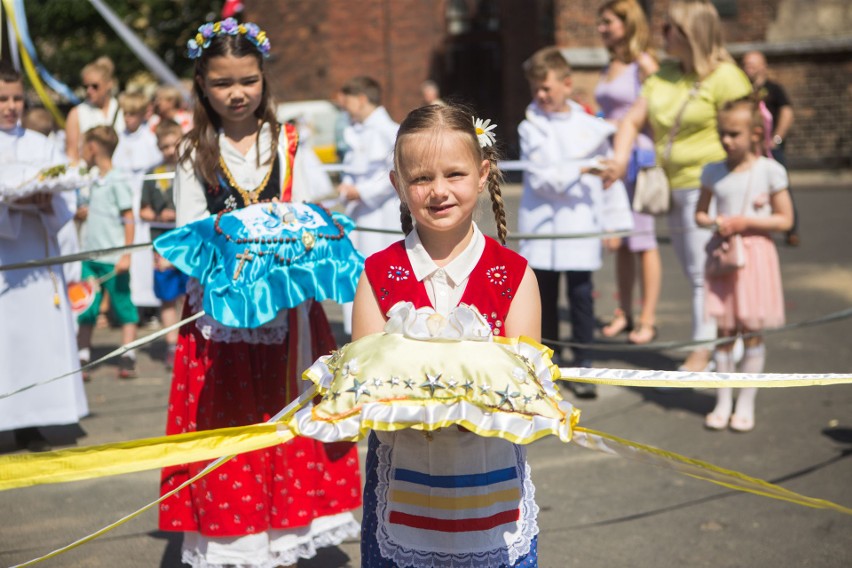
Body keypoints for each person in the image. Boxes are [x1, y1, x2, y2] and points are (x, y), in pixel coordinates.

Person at [159, 19, 361, 568]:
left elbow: (321, 212)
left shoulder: (289, 142)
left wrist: (298, 225)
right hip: (222, 314)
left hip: (289, 310)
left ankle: (289, 529)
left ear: (263, 78)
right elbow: (185, 234)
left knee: (287, 414)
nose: (238, 93)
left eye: (248, 79)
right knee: (230, 419)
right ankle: (234, 538)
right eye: (223, 82)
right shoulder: (193, 152)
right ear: (202, 83)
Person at [352, 103, 542, 567]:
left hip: (493, 498)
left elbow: (529, 396)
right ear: (398, 185)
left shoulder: (513, 275)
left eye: (454, 174)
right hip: (403, 493)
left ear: (483, 174)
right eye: (420, 179)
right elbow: (361, 387)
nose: (438, 191)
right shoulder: (378, 275)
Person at [601, 0, 753, 373]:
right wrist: (620, 160)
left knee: (706, 273)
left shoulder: (727, 78)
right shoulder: (664, 75)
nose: (662, 34)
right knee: (694, 270)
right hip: (676, 185)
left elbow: (750, 132)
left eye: (669, 28)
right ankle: (725, 343)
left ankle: (704, 352)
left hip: (716, 186)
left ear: (691, 33)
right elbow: (631, 121)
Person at [518, 46, 634, 399]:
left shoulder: (591, 128)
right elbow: (543, 180)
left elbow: (608, 180)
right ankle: (548, 366)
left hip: (580, 224)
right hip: (542, 229)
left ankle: (583, 364)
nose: (540, 95)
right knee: (546, 299)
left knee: (582, 298)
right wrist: (583, 167)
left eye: (547, 88)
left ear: (567, 84)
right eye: (535, 89)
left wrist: (614, 224)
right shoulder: (530, 126)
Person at [0, 64, 88, 452]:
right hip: (5, 260)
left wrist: (45, 200)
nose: (11, 106)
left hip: (38, 254)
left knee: (37, 339)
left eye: (17, 98)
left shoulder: (41, 144)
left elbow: (65, 197)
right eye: (3, 99)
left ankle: (35, 417)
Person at [695, 98, 793, 432]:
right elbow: (700, 213)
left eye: (733, 133)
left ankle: (746, 401)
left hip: (755, 258)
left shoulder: (769, 171)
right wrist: (715, 221)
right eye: (722, 133)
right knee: (723, 331)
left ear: (754, 133)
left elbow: (785, 218)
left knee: (751, 330)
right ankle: (723, 400)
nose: (726, 140)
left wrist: (745, 221)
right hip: (724, 257)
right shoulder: (712, 171)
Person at [594, 0, 662, 345]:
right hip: (612, 158)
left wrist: (620, 124)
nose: (601, 28)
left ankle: (647, 318)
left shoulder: (644, 63)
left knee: (643, 241)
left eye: (607, 22)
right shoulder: (612, 64)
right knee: (621, 240)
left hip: (637, 157)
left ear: (627, 22)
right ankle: (624, 312)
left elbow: (657, 113)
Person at [337, 75, 400, 335]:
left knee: (382, 270)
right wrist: (348, 187)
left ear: (362, 99)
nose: (344, 106)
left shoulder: (390, 131)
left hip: (381, 215)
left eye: (348, 101)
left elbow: (394, 173)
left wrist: (361, 191)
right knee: (358, 271)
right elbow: (353, 168)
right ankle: (358, 329)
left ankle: (385, 328)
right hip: (359, 216)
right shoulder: (355, 130)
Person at [75, 125, 139, 379]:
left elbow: (129, 217)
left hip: (113, 256)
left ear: (93, 148)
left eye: (84, 146)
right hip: (90, 255)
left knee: (122, 303)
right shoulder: (89, 179)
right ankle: (82, 355)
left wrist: (127, 254)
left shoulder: (118, 179)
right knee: (86, 304)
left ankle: (128, 353)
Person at [139, 119, 185, 367]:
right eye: (165, 146)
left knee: (191, 294)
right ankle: (172, 344)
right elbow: (142, 211)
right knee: (168, 297)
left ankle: (192, 342)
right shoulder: (152, 174)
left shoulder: (193, 169)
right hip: (163, 244)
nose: (170, 150)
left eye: (174, 144)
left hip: (189, 243)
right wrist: (160, 217)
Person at [741, 50, 799, 246]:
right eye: (745, 63)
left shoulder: (774, 89)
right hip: (749, 150)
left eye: (752, 63)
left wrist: (777, 138)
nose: (748, 67)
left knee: (780, 186)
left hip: (771, 148)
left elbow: (786, 111)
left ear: (763, 66)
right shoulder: (742, 91)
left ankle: (790, 228)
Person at [113, 91, 163, 312]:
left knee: (142, 252)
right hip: (121, 202)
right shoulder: (119, 137)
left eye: (133, 114)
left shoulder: (150, 140)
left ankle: (146, 303)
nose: (128, 119)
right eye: (125, 114)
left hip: (141, 202)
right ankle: (124, 302)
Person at [65, 56, 125, 164]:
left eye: (95, 86)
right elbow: (72, 153)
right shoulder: (76, 113)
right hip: (92, 177)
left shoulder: (123, 108)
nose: (89, 90)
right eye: (85, 87)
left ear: (109, 84)